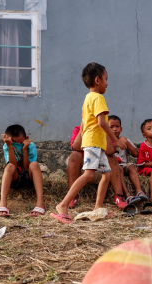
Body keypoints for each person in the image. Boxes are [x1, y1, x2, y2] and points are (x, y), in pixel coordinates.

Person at [53, 62, 124, 223]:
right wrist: (116, 140)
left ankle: (97, 209)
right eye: (106, 79)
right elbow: (102, 123)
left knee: (106, 175)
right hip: (93, 142)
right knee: (89, 174)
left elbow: (85, 122)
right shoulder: (99, 98)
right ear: (98, 80)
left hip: (96, 143)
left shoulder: (88, 98)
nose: (108, 83)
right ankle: (62, 205)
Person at [0, 124, 46, 217]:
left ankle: (40, 202)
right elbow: (13, 165)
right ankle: (3, 202)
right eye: (15, 143)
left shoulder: (30, 145)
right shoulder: (7, 145)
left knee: (34, 164)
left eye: (21, 142)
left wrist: (25, 149)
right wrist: (10, 146)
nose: (18, 144)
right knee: (9, 166)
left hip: (29, 177)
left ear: (26, 138)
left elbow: (27, 167)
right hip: (15, 178)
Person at [109, 115, 148, 202]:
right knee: (119, 169)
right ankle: (128, 195)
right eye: (111, 127)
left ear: (121, 129)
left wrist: (126, 142)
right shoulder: (106, 141)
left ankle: (139, 191)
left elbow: (136, 154)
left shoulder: (124, 140)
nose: (115, 129)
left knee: (131, 166)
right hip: (113, 168)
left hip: (124, 165)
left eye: (117, 126)